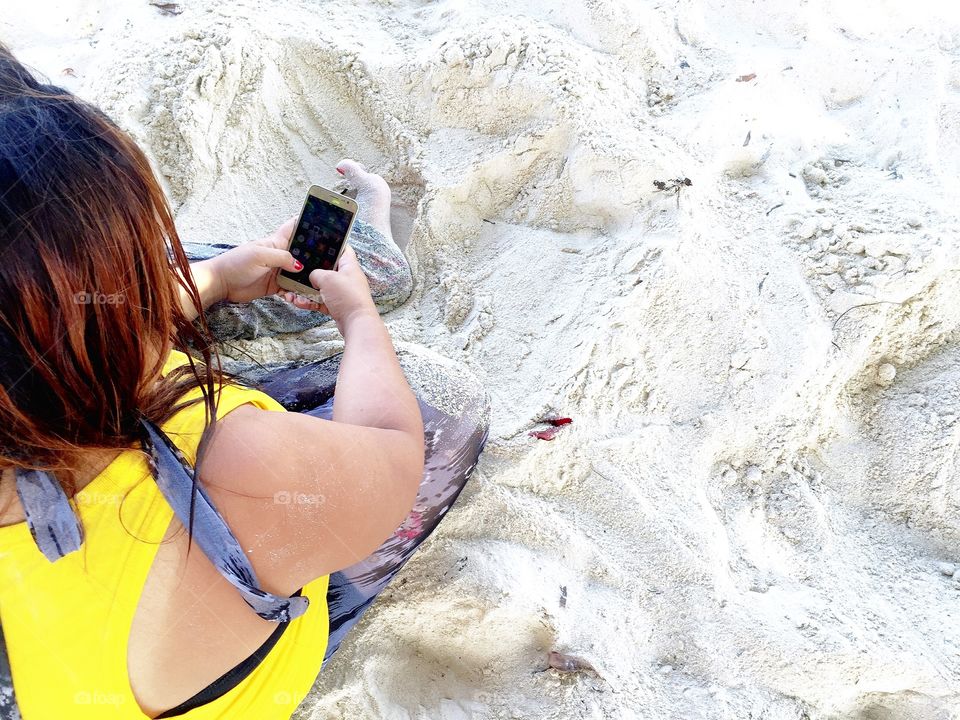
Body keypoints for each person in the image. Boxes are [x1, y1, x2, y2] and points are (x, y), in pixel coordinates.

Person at [0, 44, 488, 719]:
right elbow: (392, 447)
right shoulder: (237, 468)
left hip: (56, 655)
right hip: (219, 551)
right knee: (442, 401)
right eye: (138, 274)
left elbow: (70, 321)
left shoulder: (37, 373)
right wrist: (356, 315)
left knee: (187, 268)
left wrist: (219, 279)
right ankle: (363, 271)